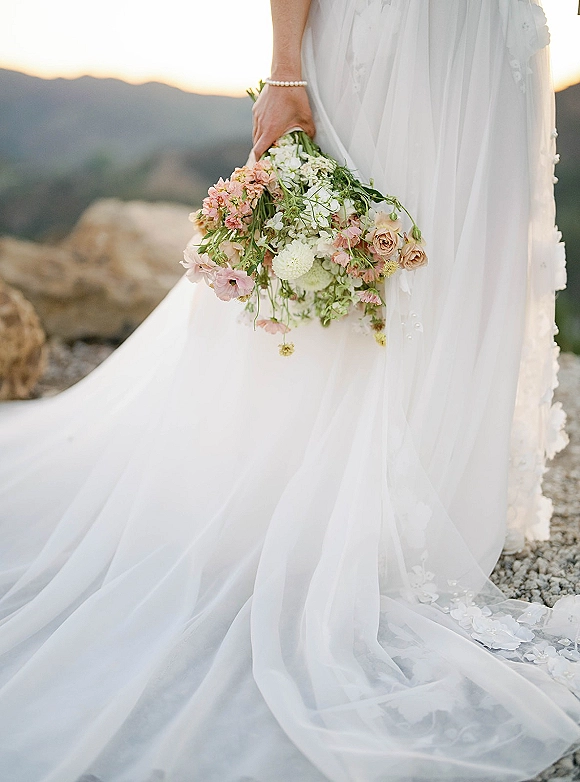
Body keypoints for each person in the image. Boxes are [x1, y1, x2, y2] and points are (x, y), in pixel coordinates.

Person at [0, 1, 578, 780]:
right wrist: (286, 67)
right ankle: (295, 493)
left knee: (470, 260)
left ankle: (428, 487)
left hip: (486, 39)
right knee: (359, 243)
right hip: (387, 33)